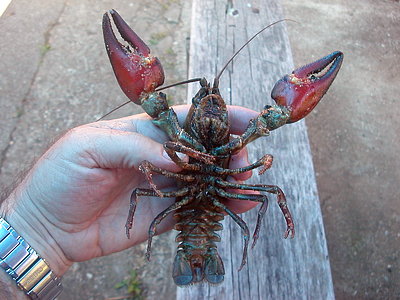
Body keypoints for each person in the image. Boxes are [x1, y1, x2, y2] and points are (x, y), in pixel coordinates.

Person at [0, 104, 260, 299]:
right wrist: (38, 228)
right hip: (200, 203)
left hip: (196, 209)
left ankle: (201, 254)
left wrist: (38, 230)